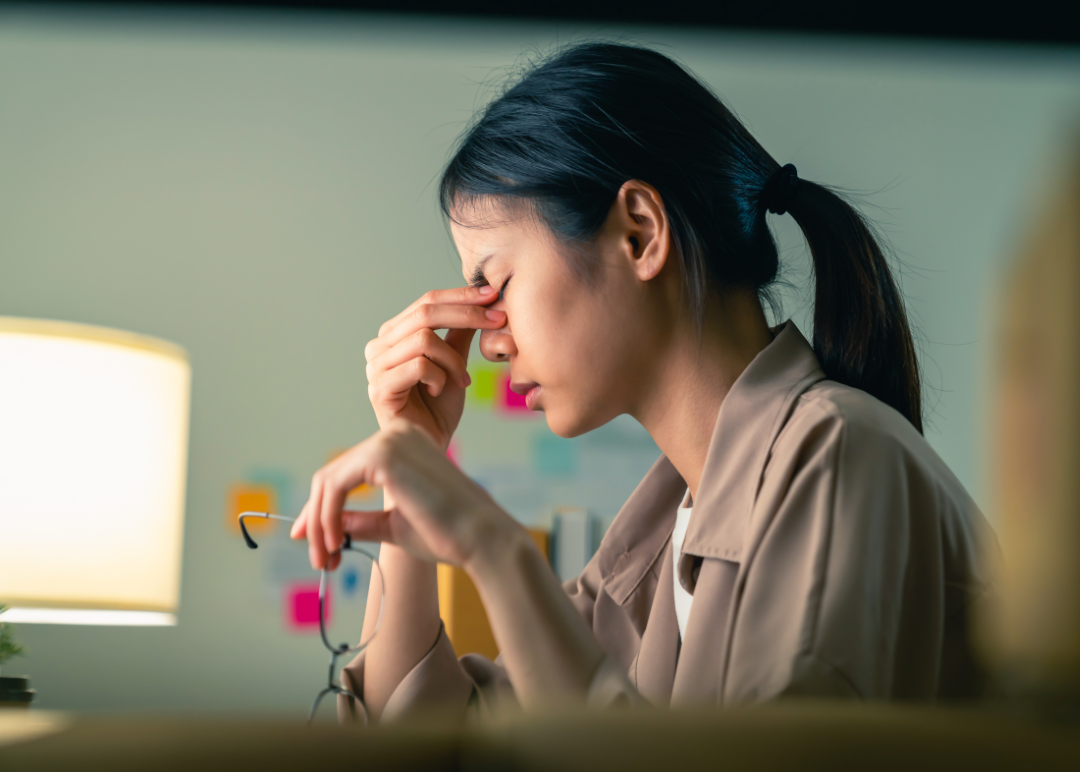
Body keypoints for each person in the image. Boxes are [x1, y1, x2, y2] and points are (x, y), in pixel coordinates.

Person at [289, 42, 997, 722]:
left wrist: (496, 548)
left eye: (494, 285)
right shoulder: (654, 540)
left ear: (639, 233)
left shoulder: (837, 453)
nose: (490, 342)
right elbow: (436, 739)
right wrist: (411, 452)